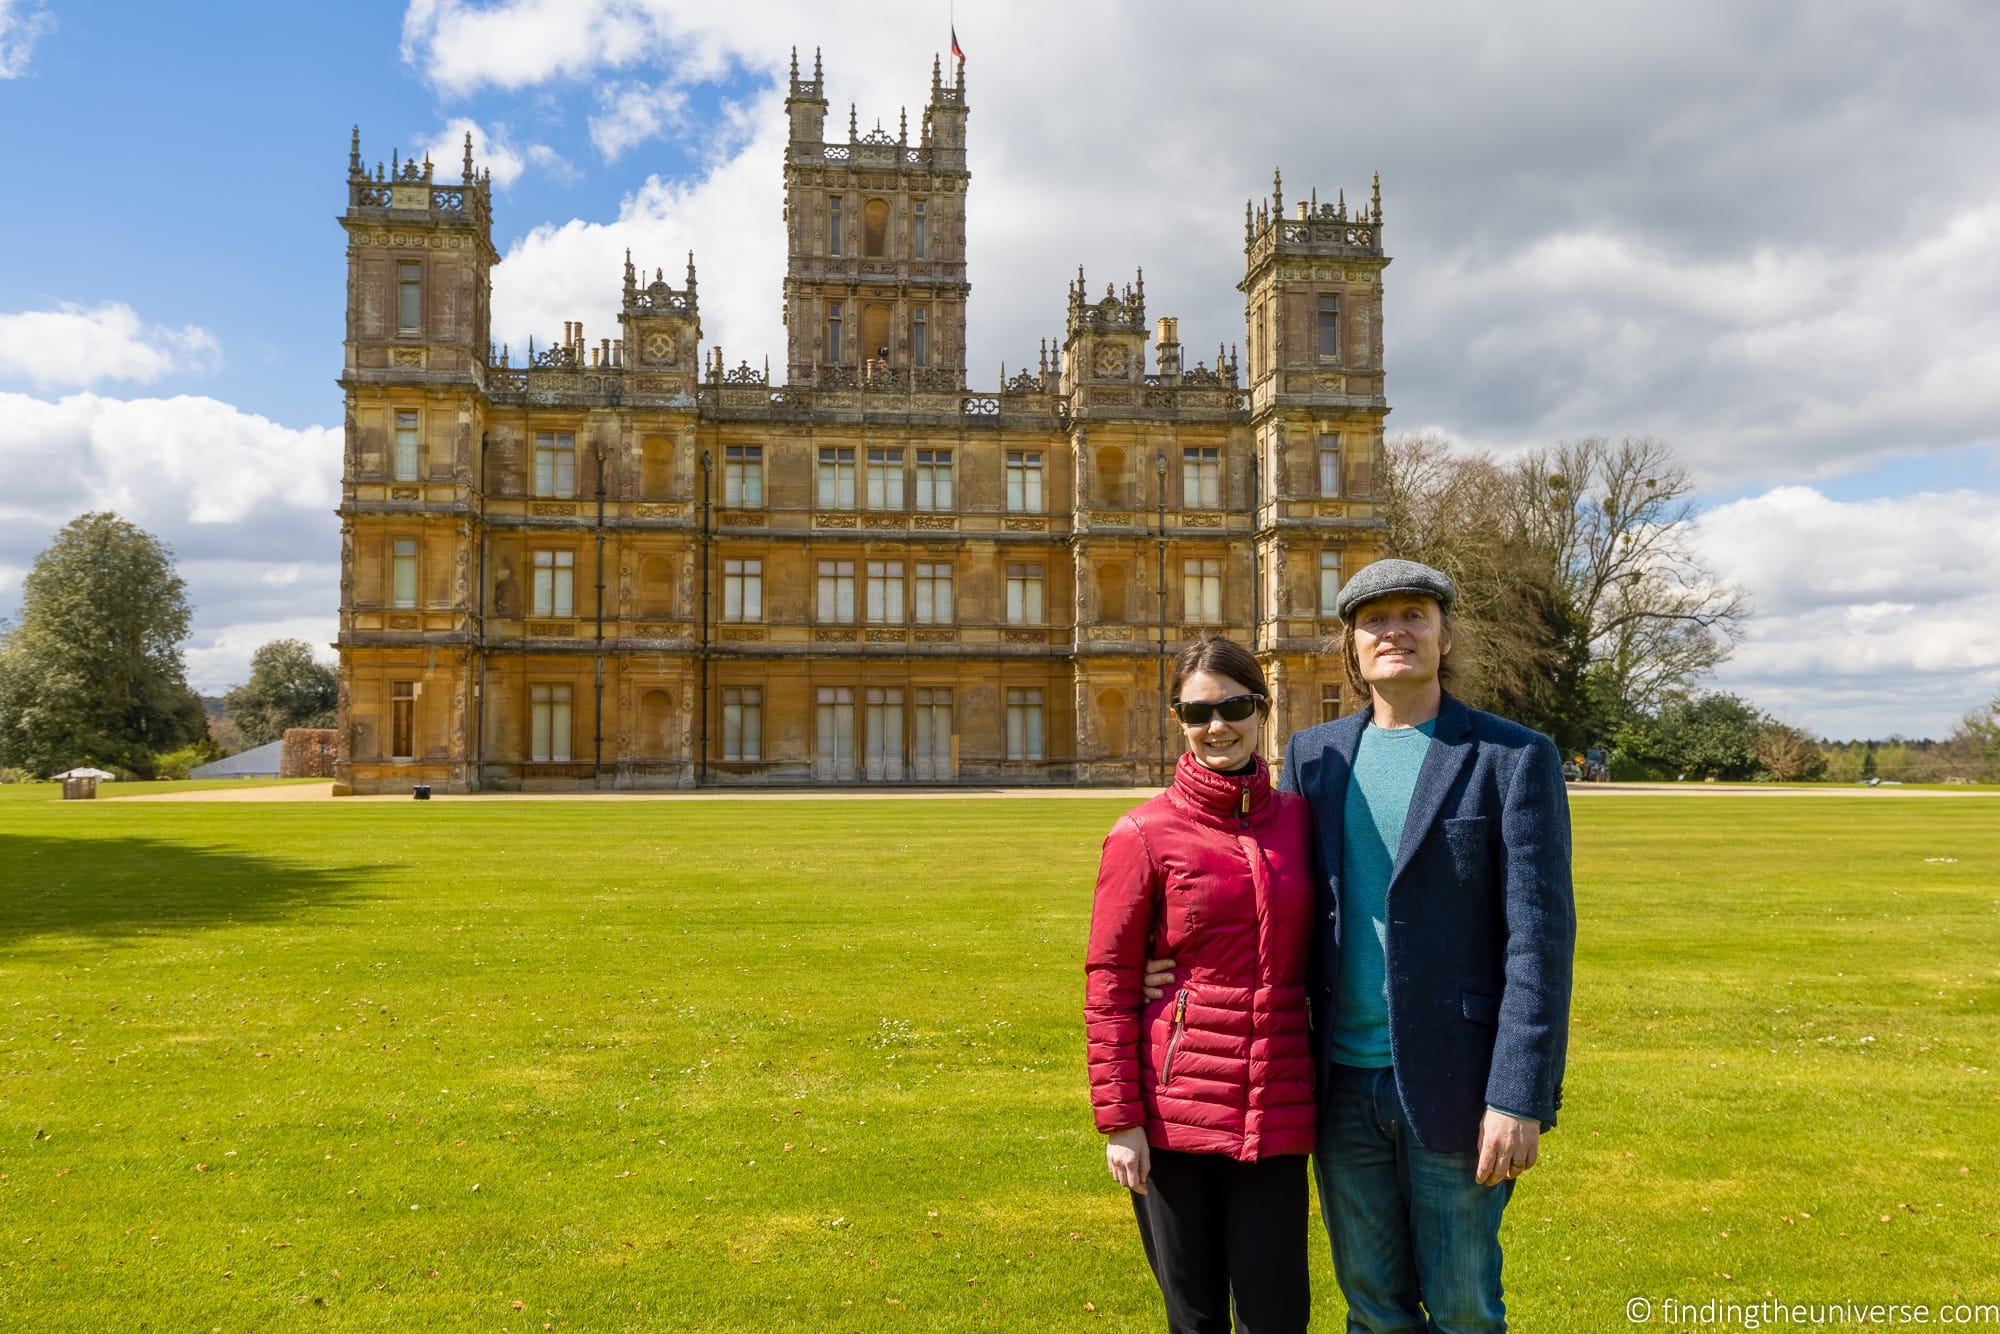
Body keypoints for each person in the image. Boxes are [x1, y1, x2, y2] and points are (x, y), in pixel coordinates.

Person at [1144, 559, 1576, 1332]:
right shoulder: (1318, 757)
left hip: (1460, 1083)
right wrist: (1169, 967)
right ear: (1352, 644)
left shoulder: (1512, 758)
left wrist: (1519, 1094)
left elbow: (1539, 943)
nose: (1395, 631)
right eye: (1375, 619)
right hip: (1339, 1083)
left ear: (1445, 635)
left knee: (1464, 1309)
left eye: (1415, 614)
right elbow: (1261, 883)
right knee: (1372, 1309)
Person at [1085, 636, 1318, 1333]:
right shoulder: (1142, 834)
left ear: (1263, 708)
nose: (1217, 726)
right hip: (1173, 1116)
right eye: (1196, 712)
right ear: (1178, 721)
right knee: (1195, 1320)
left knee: (1278, 1317)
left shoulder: (1303, 823)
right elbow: (1109, 983)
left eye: (1234, 706)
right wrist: (1121, 1119)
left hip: (1276, 1112)